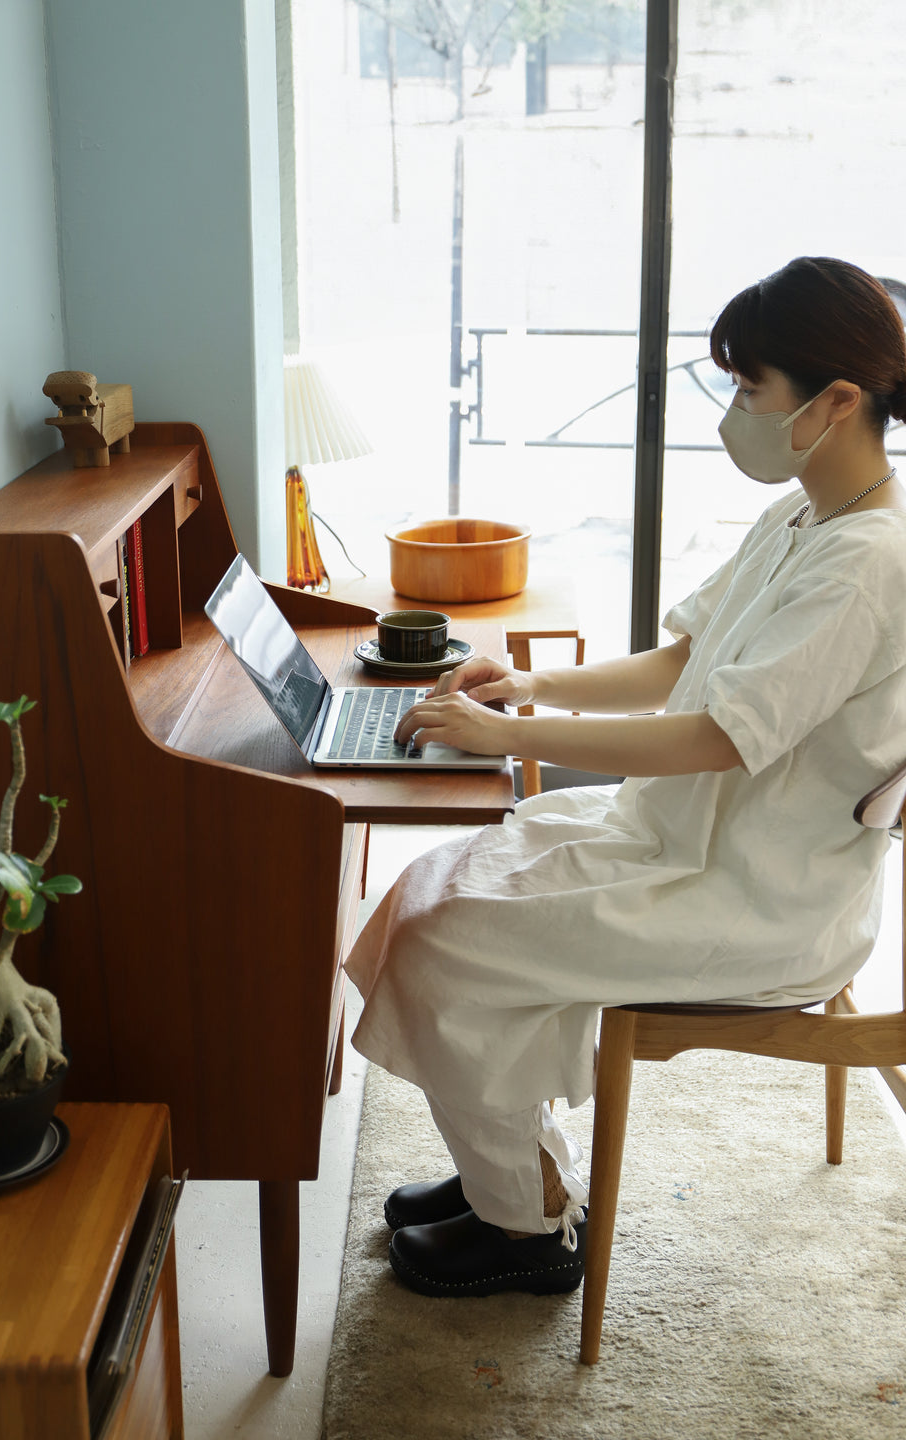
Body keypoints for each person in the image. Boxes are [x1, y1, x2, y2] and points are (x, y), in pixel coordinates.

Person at [345, 256, 906, 1300]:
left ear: (835, 402)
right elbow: (679, 664)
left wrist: (510, 738)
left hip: (759, 894)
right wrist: (528, 687)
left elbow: (719, 738)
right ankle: (513, 1175)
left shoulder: (872, 561)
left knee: (444, 940)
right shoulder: (802, 517)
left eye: (750, 390)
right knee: (442, 889)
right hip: (687, 837)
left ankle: (524, 1228)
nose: (734, 412)